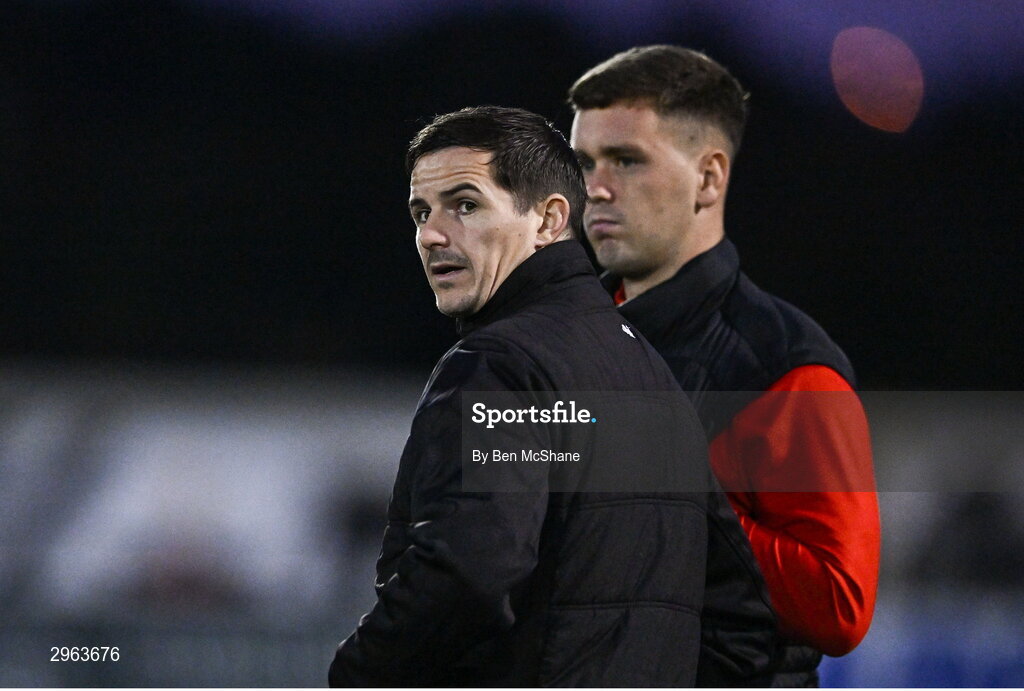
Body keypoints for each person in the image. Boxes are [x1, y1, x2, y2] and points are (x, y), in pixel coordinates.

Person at [328, 106, 715, 686]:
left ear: (548, 220)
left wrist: (359, 673)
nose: (431, 234)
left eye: (466, 205)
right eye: (420, 212)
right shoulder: (654, 374)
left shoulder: (502, 366)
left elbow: (470, 569)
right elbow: (731, 598)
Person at [569, 45, 881, 686]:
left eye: (626, 161)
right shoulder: (552, 341)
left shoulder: (786, 367)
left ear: (709, 179)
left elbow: (837, 605)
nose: (594, 189)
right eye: (584, 162)